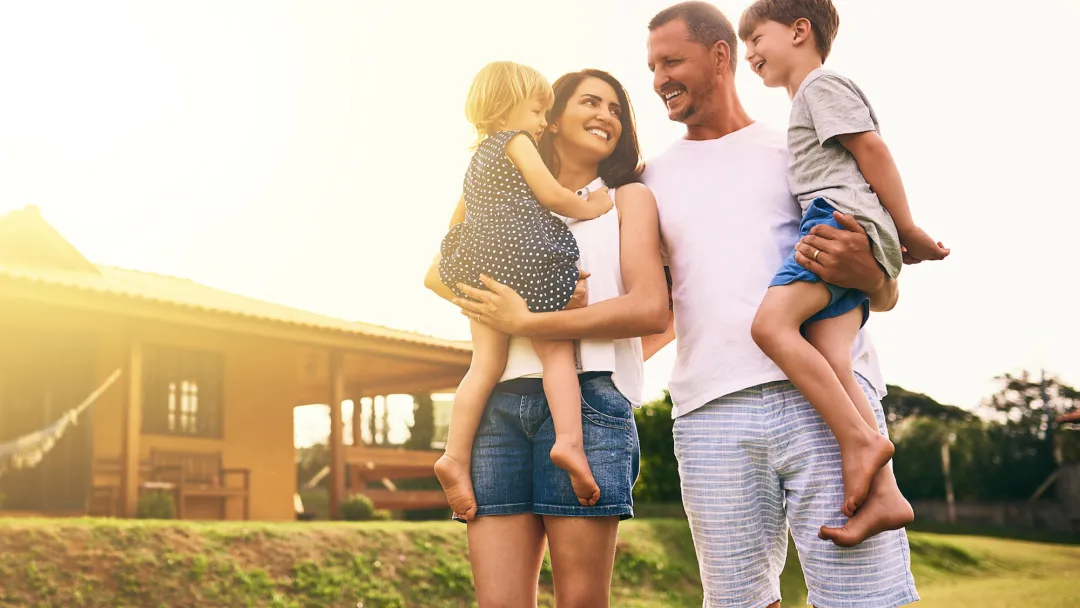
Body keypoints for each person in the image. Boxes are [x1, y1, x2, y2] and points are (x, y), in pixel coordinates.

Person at [642, 2, 919, 606]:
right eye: (652, 67)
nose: (659, 78)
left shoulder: (800, 149)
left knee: (865, 596)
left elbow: (882, 285)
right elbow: (655, 309)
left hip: (825, 402)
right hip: (711, 415)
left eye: (672, 61)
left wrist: (873, 271)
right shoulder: (648, 182)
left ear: (721, 56)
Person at [427, 69, 668, 608]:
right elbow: (439, 274)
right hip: (498, 406)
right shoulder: (499, 189)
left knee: (580, 602)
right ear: (551, 116)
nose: (606, 115)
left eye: (616, 109)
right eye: (590, 101)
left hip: (590, 401)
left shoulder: (625, 199)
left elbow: (651, 309)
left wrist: (532, 321)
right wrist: (503, 303)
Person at [738, 0, 948, 522]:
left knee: (770, 326)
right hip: (849, 224)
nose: (749, 54)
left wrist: (907, 230)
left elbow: (873, 152)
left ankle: (860, 442)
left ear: (798, 31)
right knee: (834, 357)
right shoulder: (807, 98)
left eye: (756, 39)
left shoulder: (820, 86)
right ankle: (887, 496)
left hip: (836, 221)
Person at [434, 61, 614, 519]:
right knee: (555, 353)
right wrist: (592, 205)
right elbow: (552, 195)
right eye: (537, 111)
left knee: (483, 365)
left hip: (480, 263)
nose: (540, 123)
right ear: (506, 108)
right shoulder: (515, 142)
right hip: (526, 256)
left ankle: (454, 456)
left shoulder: (476, 161)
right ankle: (570, 443)